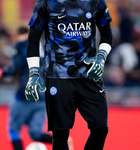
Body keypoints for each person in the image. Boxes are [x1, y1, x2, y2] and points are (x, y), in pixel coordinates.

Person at [25, 0, 113, 150]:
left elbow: (107, 34)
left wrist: (101, 57)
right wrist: (33, 74)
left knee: (100, 129)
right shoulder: (45, 3)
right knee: (60, 136)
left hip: (89, 75)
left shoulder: (95, 2)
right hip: (57, 76)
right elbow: (33, 39)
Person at [0, 26, 53, 150]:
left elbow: (15, 68)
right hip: (42, 97)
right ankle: (64, 143)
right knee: (35, 132)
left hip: (25, 94)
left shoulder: (21, 45)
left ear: (19, 35)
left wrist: (1, 73)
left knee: (13, 129)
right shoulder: (44, 46)